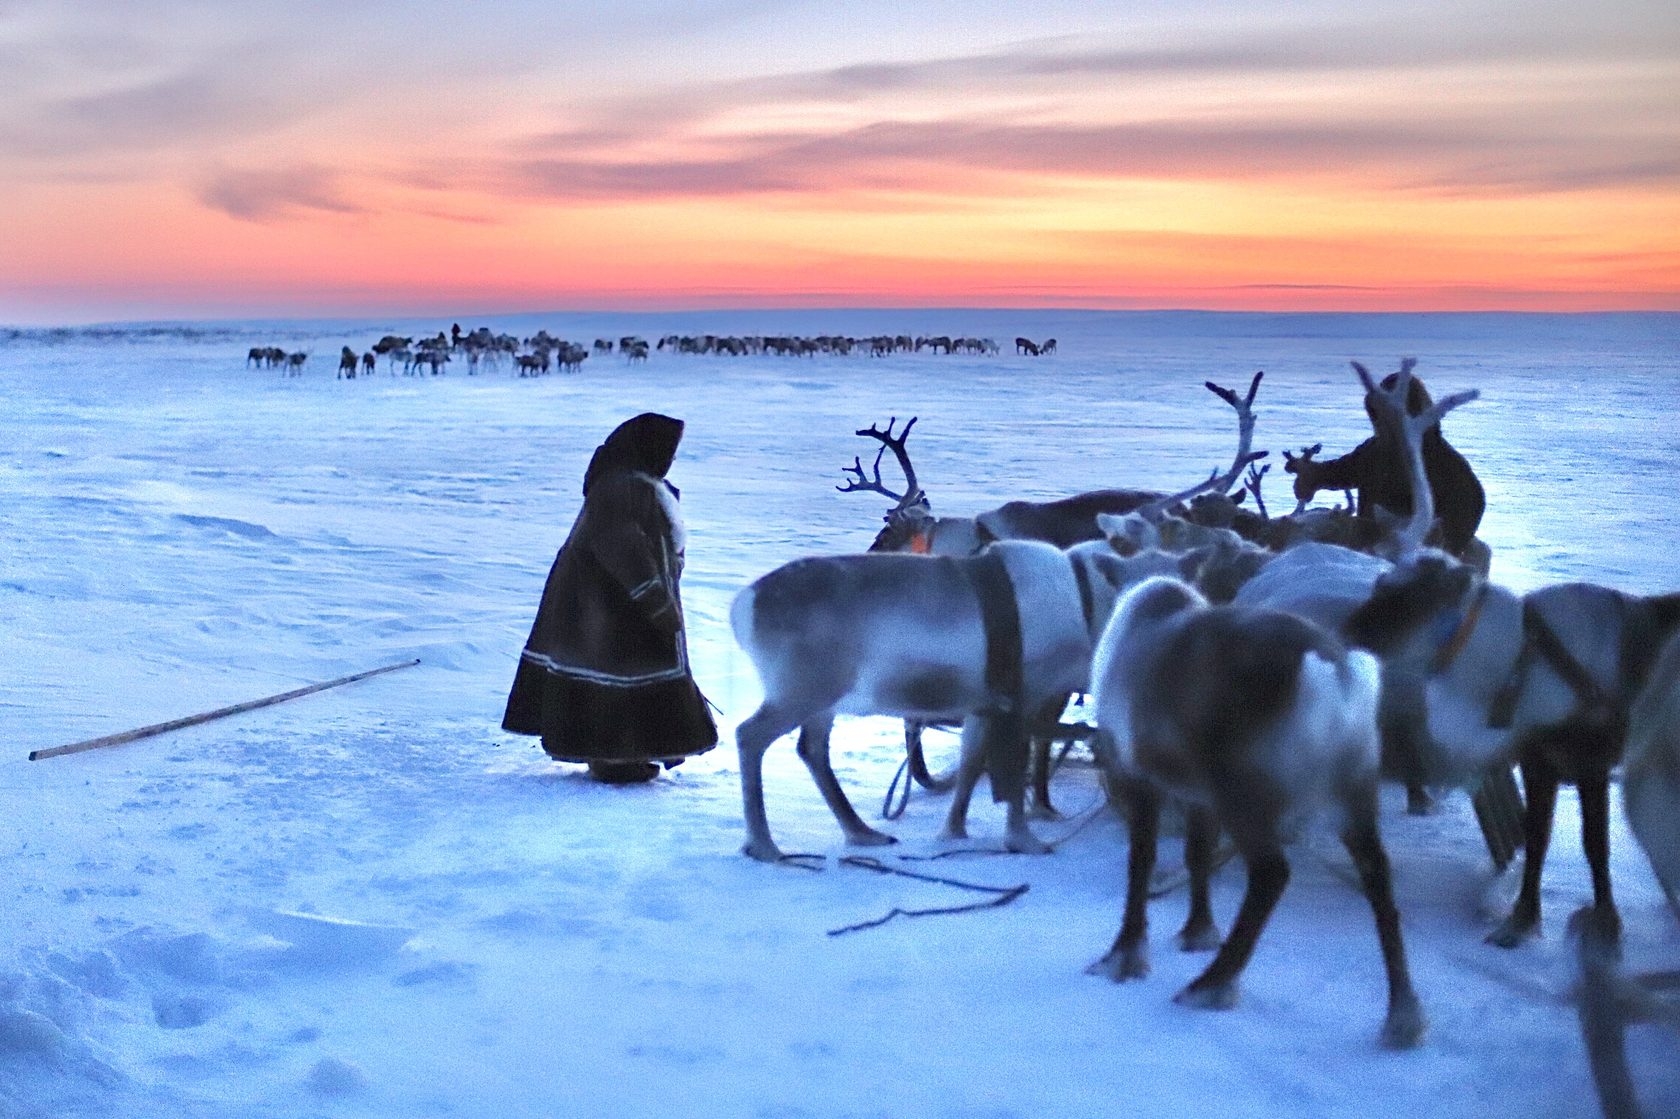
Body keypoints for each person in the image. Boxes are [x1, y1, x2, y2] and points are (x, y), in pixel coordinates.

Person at [502, 412, 717, 783]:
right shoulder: (622, 487)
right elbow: (621, 545)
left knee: (620, 671)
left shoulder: (633, 484)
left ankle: (620, 753)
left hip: (607, 602)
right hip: (606, 604)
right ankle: (612, 756)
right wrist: (653, 598)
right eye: (669, 450)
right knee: (615, 671)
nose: (672, 459)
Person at [1287, 369, 1487, 563]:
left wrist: (1449, 546)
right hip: (1368, 556)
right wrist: (1310, 474)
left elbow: (1471, 504)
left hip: (1421, 564)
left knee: (1478, 554)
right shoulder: (1374, 452)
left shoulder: (1448, 467)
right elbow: (1340, 471)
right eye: (1381, 414)